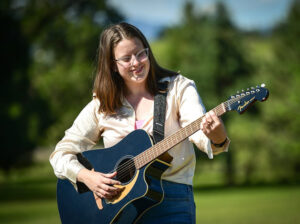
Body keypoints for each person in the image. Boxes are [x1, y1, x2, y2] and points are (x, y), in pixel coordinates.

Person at [50, 22, 229, 224]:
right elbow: (60, 154)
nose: (136, 62)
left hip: (173, 204)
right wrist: (87, 177)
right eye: (126, 58)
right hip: (117, 211)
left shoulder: (178, 87)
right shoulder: (102, 103)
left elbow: (200, 131)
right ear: (112, 65)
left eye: (140, 53)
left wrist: (217, 136)